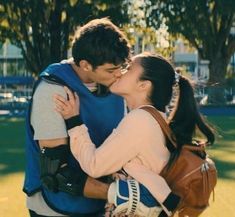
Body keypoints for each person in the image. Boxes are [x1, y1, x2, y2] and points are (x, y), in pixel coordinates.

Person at [54, 52, 215, 216]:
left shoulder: (140, 120)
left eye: (129, 68)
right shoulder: (154, 118)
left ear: (143, 85)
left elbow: (94, 165)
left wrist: (73, 121)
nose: (120, 72)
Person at [23, 17, 135, 217]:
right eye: (111, 70)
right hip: (55, 210)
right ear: (85, 65)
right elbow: (56, 174)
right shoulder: (53, 91)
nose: (119, 74)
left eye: (121, 67)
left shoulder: (116, 86)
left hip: (101, 206)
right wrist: (119, 194)